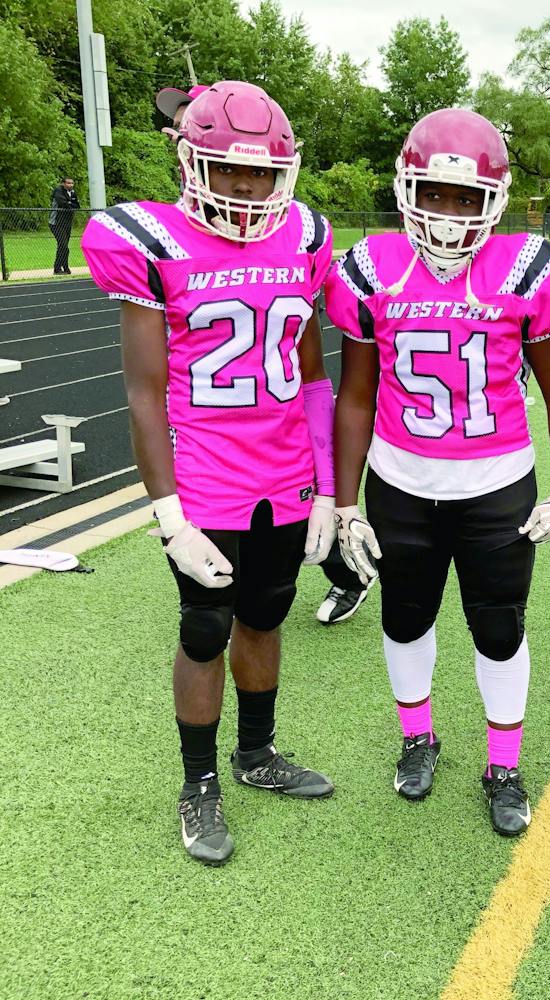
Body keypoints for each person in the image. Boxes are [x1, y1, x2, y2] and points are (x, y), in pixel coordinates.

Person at [81, 81, 338, 867]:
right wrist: (168, 513)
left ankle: (255, 754)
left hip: (286, 471)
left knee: (266, 617)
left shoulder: (302, 237)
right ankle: (198, 783)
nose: (246, 186)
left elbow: (313, 373)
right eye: (229, 169)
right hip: (204, 478)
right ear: (192, 163)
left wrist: (329, 484)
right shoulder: (153, 241)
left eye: (261, 173)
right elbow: (143, 391)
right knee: (205, 627)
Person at [328, 108, 550, 836]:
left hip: (497, 487)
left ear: (493, 200)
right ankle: (419, 738)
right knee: (405, 619)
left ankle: (503, 764)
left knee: (498, 628)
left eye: (465, 197)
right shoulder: (373, 268)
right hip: (401, 483)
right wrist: (345, 501)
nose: (446, 213)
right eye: (433, 194)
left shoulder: (526, 271)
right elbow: (354, 395)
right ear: (407, 189)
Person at [49, 177, 79, 275]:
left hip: (67, 223)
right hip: (56, 223)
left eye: (72, 183)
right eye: (68, 183)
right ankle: (57, 268)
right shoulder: (58, 190)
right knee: (63, 245)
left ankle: (65, 268)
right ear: (63, 184)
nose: (70, 185)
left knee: (63, 246)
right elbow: (62, 203)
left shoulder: (73, 192)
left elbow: (77, 205)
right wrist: (70, 203)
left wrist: (69, 203)